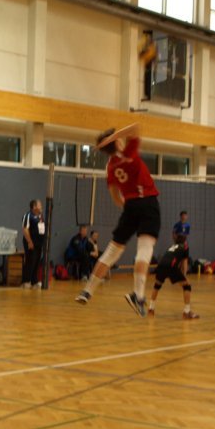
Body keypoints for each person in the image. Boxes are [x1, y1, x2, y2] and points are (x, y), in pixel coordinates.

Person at [75, 123, 160, 317]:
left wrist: (130, 209)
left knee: (112, 251)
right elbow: (136, 127)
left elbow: (115, 197)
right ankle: (138, 295)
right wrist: (112, 137)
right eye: (118, 138)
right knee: (145, 248)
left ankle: (87, 291)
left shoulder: (111, 167)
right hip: (148, 203)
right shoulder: (128, 153)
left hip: (130, 206)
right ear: (116, 141)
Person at [148, 234, 199, 319]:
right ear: (184, 241)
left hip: (161, 265)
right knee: (187, 286)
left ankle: (151, 308)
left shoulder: (172, 246)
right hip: (171, 266)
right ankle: (187, 312)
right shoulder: (185, 247)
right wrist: (184, 276)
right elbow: (184, 263)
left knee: (157, 285)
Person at [21, 199, 45, 289]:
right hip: (31, 243)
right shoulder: (28, 215)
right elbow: (25, 229)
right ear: (34, 206)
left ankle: (34, 281)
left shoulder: (40, 216)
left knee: (37, 262)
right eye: (39, 205)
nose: (41, 206)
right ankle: (26, 281)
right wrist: (30, 242)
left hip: (39, 244)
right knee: (30, 261)